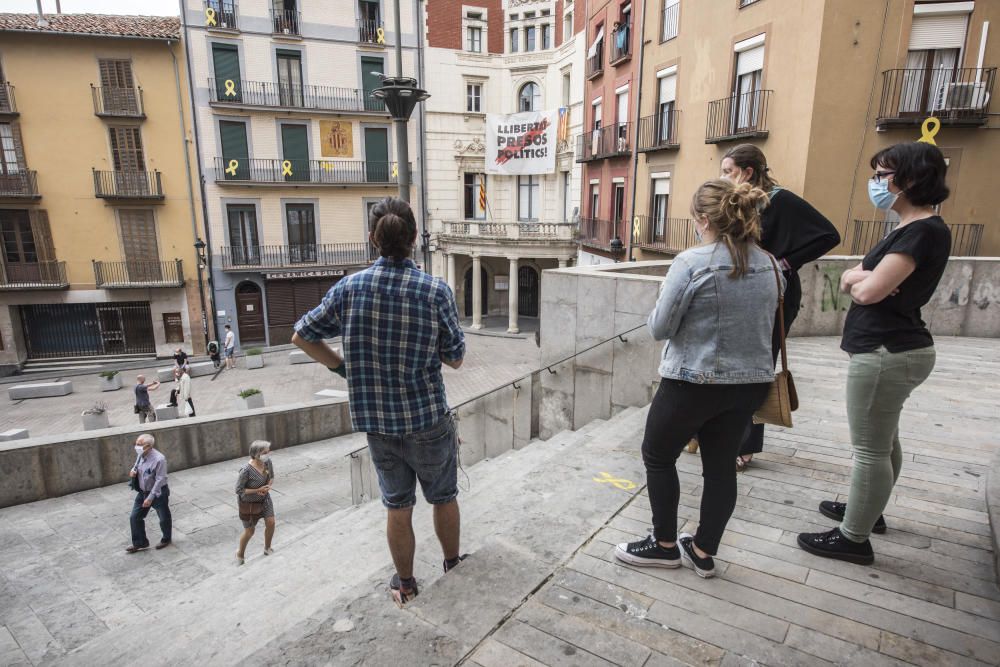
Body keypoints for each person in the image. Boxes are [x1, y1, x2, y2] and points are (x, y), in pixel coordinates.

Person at [292, 197, 466, 606]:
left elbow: (302, 335)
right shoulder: (435, 291)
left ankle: (405, 583)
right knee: (443, 496)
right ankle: (454, 565)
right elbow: (456, 358)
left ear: (373, 239)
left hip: (378, 426)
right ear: (414, 239)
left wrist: (342, 369)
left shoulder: (349, 289)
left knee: (397, 505)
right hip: (427, 420)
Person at [614, 180, 782, 579]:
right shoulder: (772, 265)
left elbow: (660, 327)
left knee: (657, 455)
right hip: (749, 384)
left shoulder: (691, 263)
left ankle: (664, 546)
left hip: (692, 381)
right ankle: (703, 551)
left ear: (704, 220)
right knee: (721, 466)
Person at [797, 142, 951, 565]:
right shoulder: (914, 229)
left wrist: (858, 279)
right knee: (884, 440)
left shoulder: (921, 231)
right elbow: (862, 282)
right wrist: (859, 277)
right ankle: (869, 510)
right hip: (896, 349)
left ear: (911, 179)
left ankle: (853, 536)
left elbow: (867, 290)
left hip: (886, 351)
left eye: (883, 176)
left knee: (870, 448)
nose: (877, 184)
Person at [720, 144, 840, 471]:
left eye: (728, 171)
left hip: (776, 295)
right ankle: (720, 436)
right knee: (731, 369)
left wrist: (786, 262)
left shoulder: (780, 199)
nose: (723, 177)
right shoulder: (739, 202)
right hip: (744, 295)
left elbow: (829, 235)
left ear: (746, 172)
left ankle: (744, 446)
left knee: (757, 370)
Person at [127, 433, 172, 552]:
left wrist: (150, 497)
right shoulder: (141, 454)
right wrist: (133, 470)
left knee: (163, 517)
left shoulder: (159, 459)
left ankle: (166, 538)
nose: (137, 446)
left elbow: (160, 479)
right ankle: (140, 542)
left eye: (139, 444)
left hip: (158, 493)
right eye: (136, 444)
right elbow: (137, 465)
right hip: (143, 492)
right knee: (134, 517)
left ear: (148, 446)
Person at [235, 440, 276, 565]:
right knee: (250, 531)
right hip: (249, 504)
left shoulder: (267, 462)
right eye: (265, 452)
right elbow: (239, 490)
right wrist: (257, 490)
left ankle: (267, 548)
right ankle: (240, 553)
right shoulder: (246, 470)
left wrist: (267, 487)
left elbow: (272, 477)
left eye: (268, 452)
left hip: (264, 499)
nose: (268, 454)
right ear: (256, 454)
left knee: (271, 522)